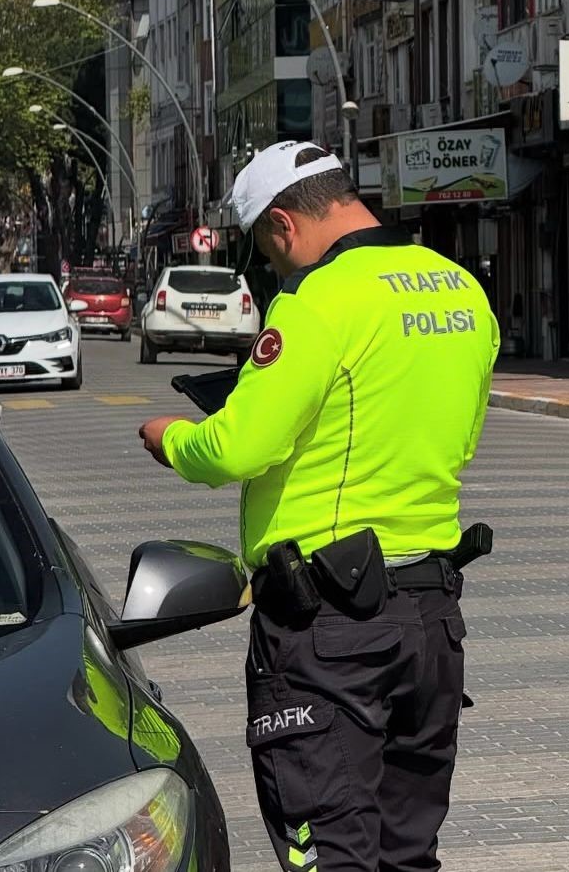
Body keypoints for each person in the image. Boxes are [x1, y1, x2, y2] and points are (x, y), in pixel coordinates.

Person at [138, 141, 500, 872]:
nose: (276, 268)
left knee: (330, 855)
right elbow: (458, 432)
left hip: (329, 627)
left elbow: (238, 448)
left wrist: (172, 436)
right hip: (431, 621)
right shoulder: (460, 288)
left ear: (283, 224)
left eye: (269, 253)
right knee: (408, 855)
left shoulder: (317, 300)